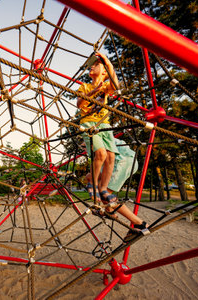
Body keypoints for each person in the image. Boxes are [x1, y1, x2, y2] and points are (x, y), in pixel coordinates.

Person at [77, 52, 147, 240]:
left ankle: (137, 225)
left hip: (104, 127)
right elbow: (80, 102)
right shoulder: (85, 86)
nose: (92, 67)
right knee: (104, 162)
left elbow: (115, 85)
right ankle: (138, 225)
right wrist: (94, 91)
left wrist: (107, 62)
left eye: (96, 65)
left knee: (108, 165)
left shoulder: (107, 84)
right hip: (92, 124)